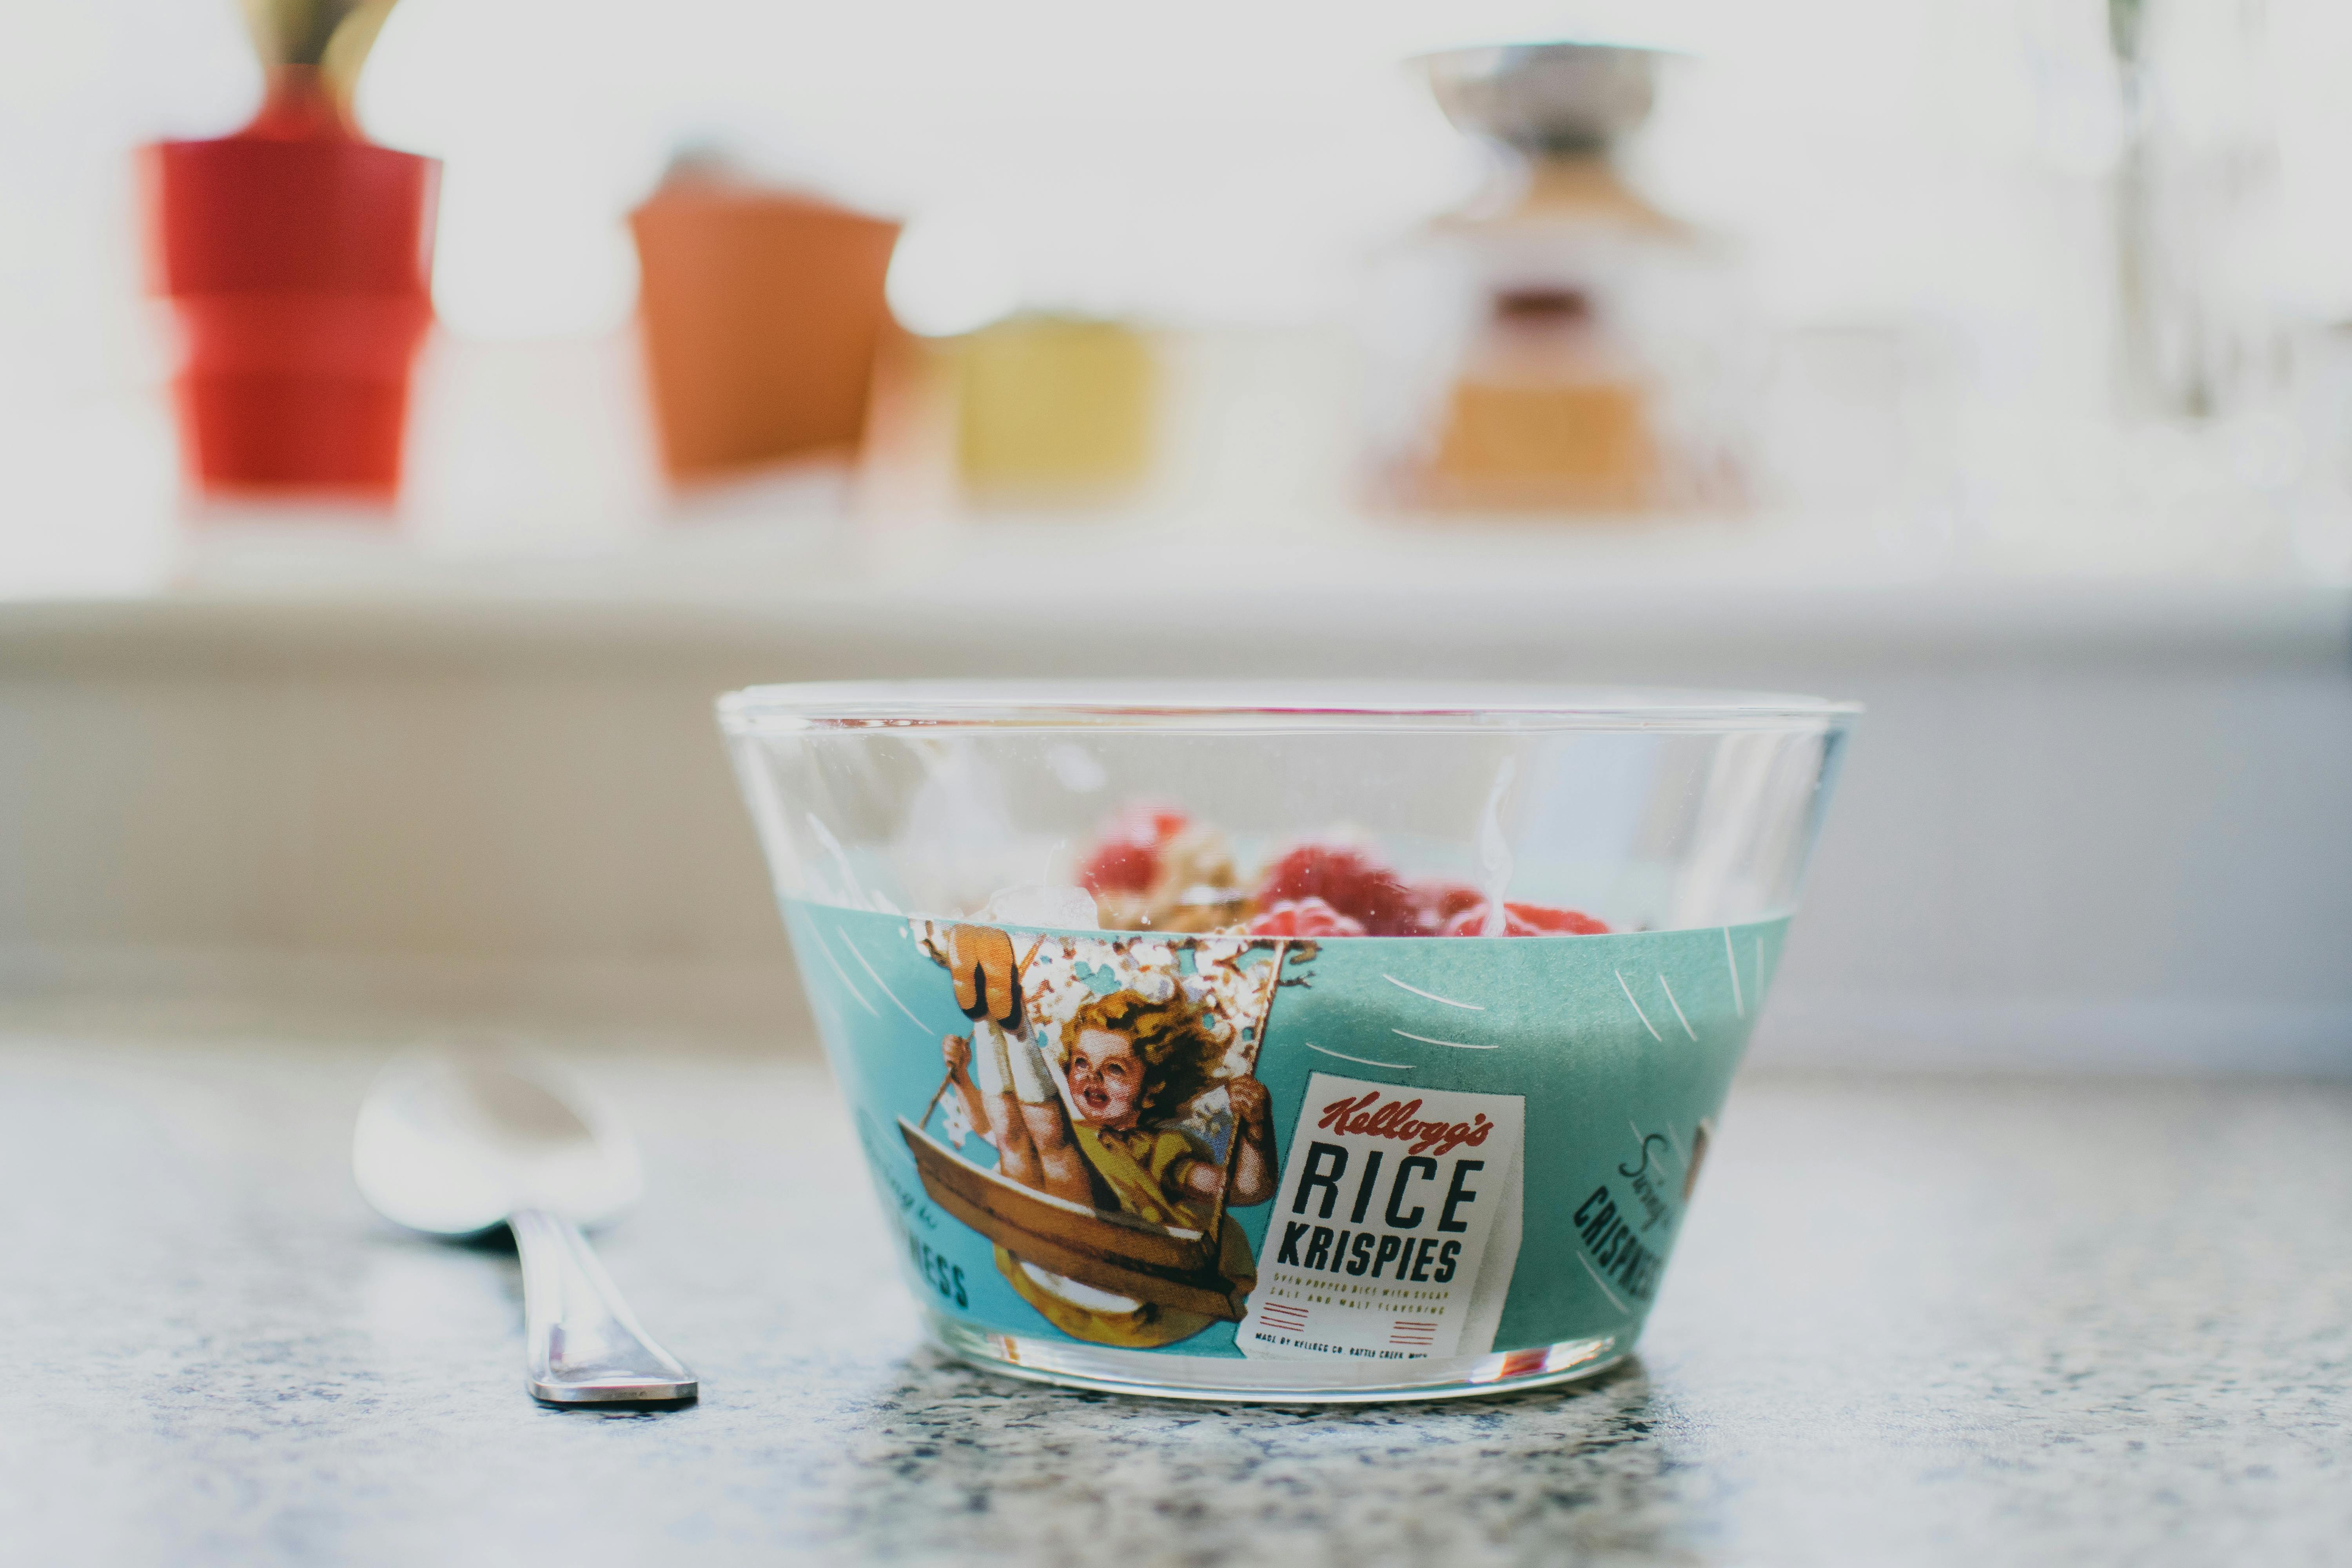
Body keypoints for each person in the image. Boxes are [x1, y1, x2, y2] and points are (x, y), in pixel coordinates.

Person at [937, 933, 1277, 1346]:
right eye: (1080, 1063)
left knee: (1057, 1151)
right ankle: (988, 1019)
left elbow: (1244, 1189)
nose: (1090, 1077)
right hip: (1046, 1261)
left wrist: (1257, 1129)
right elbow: (991, 1130)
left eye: (1115, 1069)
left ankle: (1015, 1026)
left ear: (1153, 1087)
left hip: (1122, 1276)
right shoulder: (1082, 1133)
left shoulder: (1161, 1151)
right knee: (1013, 1143)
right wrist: (961, 1080)